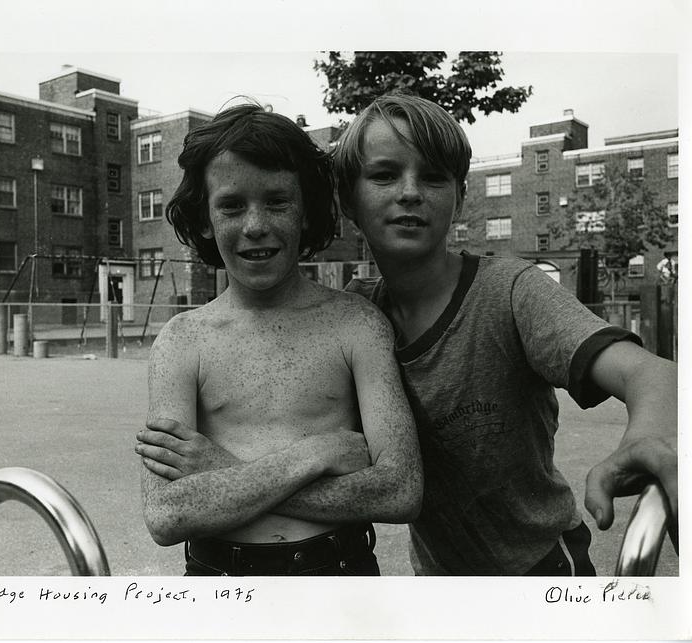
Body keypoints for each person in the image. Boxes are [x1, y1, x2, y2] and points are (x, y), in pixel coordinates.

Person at [138, 93, 677, 576]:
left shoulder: (507, 293)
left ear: (461, 197)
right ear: (349, 203)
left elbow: (651, 375)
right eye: (384, 175)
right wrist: (303, 460)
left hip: (536, 568)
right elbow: (169, 512)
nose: (411, 193)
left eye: (435, 177)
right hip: (438, 578)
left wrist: (650, 437)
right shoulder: (359, 305)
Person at [139, 103, 423, 576]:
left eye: (277, 201)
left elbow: (400, 489)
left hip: (340, 574)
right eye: (231, 205)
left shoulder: (357, 324)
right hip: (219, 583)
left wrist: (221, 472)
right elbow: (167, 515)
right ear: (206, 218)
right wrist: (315, 454)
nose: (255, 225)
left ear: (306, 209)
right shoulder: (181, 341)